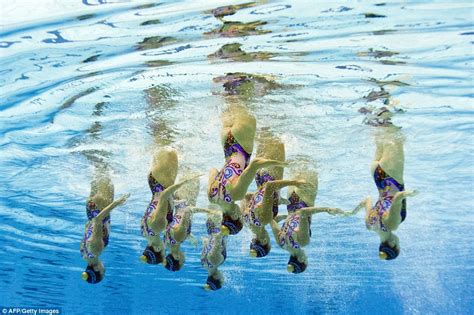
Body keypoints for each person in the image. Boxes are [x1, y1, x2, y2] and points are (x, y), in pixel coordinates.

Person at [208, 105, 286, 236]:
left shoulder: (236, 195)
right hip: (226, 142)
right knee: (230, 98)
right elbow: (213, 170)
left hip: (242, 142)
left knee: (244, 96)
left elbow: (254, 165)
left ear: (236, 216)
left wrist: (279, 163)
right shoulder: (212, 198)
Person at [270, 164, 351, 274]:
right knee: (297, 164)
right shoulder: (281, 243)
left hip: (304, 198)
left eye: (306, 260)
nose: (306, 257)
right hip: (290, 201)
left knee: (311, 165)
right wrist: (286, 217)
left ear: (302, 260)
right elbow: (271, 220)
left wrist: (327, 209)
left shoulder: (303, 242)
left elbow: (303, 212)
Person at [356, 120, 417, 260]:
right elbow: (367, 201)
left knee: (392, 131)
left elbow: (398, 198)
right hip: (377, 175)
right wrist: (353, 211)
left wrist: (410, 194)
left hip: (392, 175)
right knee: (379, 128)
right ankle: (371, 106)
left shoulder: (392, 225)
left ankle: (383, 103)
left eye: (398, 245)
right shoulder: (370, 226)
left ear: (393, 244)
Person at [241, 132, 308, 257]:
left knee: (275, 131)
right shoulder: (246, 221)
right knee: (263, 133)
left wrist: (294, 182)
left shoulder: (264, 220)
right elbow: (247, 197)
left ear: (265, 241)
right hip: (259, 176)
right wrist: (276, 199)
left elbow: (270, 186)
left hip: (270, 174)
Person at [140, 147, 199, 264]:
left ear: (157, 249)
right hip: (155, 181)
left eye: (163, 252)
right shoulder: (145, 232)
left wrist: (184, 183)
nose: (165, 249)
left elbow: (163, 196)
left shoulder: (158, 227)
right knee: (160, 141)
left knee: (166, 139)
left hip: (162, 181)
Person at [80, 172, 129, 284]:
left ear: (97, 269)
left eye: (103, 272)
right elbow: (87, 226)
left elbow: (97, 220)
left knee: (105, 170)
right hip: (90, 209)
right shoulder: (84, 254)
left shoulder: (96, 250)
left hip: (100, 206)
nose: (104, 269)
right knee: (96, 171)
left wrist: (116, 203)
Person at [163, 177, 219, 272]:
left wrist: (209, 211)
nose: (184, 260)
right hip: (179, 195)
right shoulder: (167, 243)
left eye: (183, 262)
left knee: (193, 169)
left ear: (177, 258)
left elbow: (188, 210)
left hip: (187, 195)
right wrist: (188, 235)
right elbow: (174, 225)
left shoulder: (179, 237)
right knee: (187, 166)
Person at [201, 214, 227, 291]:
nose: (223, 279)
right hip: (210, 225)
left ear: (216, 278)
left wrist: (228, 229)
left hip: (218, 224)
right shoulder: (204, 264)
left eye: (222, 281)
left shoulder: (215, 261)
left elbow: (218, 236)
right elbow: (206, 242)